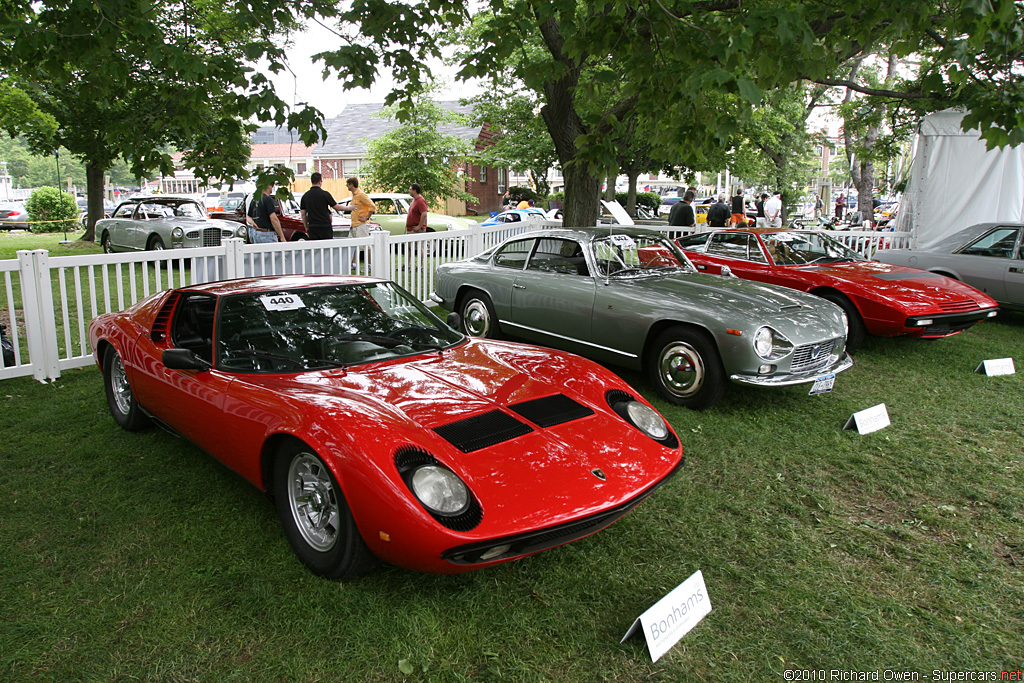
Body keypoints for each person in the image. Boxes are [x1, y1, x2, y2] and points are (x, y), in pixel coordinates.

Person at [340, 176, 376, 270]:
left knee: (365, 245)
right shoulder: (354, 195)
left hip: (361, 224)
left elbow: (372, 206)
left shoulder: (361, 194)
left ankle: (369, 265)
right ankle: (354, 264)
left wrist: (367, 217)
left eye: (347, 184)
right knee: (353, 244)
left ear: (351, 184)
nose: (347, 186)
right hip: (354, 224)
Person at [299, 171, 344, 240]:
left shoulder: (305, 196)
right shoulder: (325, 194)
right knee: (327, 248)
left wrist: (306, 228)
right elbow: (337, 207)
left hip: (313, 227)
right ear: (320, 182)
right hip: (325, 226)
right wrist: (349, 208)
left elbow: (303, 214)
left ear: (311, 181)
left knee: (315, 249)